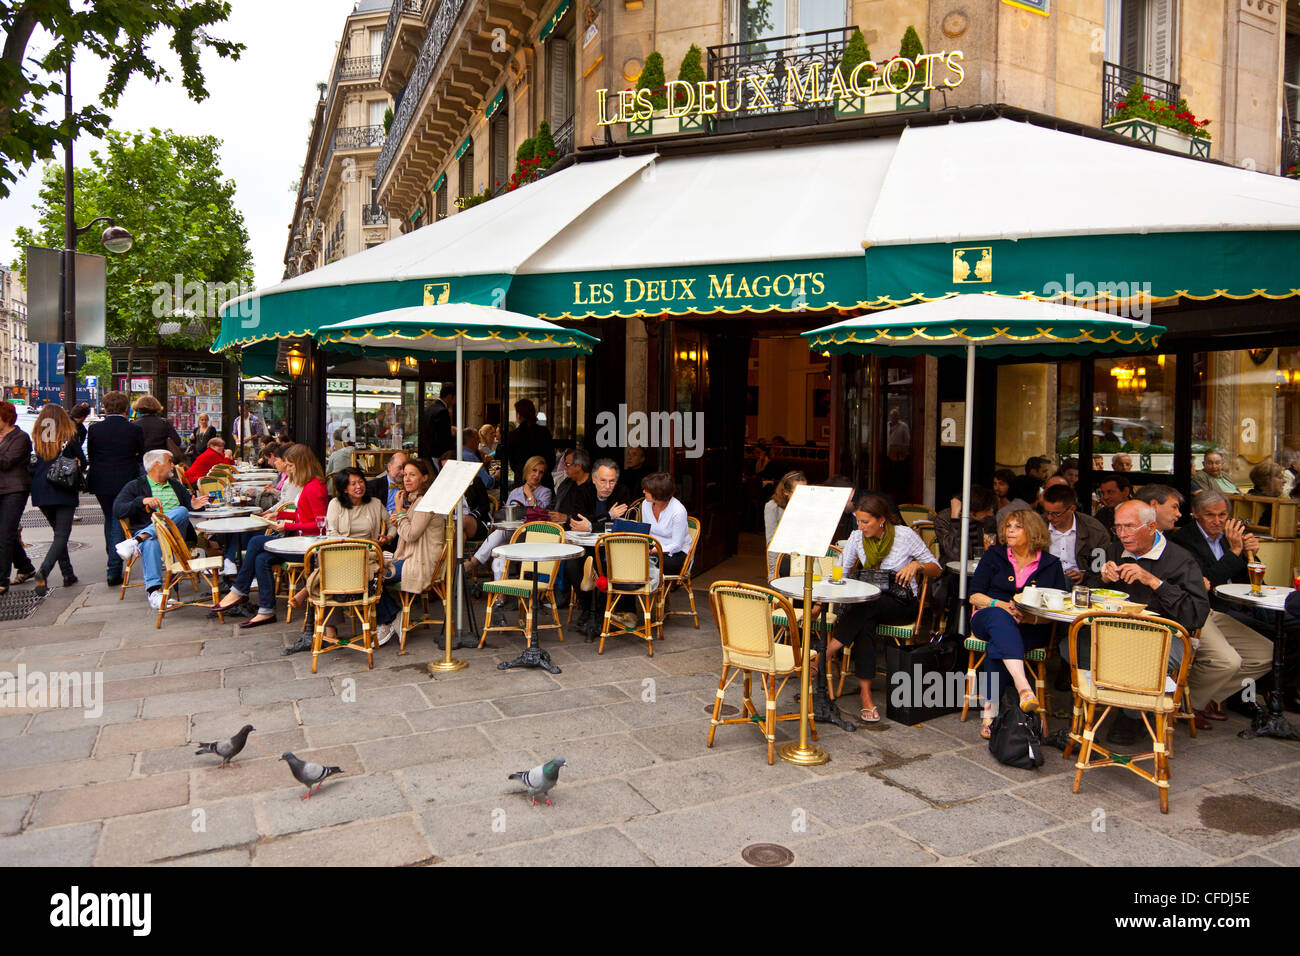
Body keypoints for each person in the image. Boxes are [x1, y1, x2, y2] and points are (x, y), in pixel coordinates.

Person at [824, 493, 941, 723]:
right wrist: (825, 597)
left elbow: (936, 568)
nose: (860, 526)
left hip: (901, 603)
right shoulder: (857, 538)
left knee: (866, 604)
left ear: (882, 520)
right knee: (865, 619)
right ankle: (866, 696)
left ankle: (825, 653)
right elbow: (841, 572)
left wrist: (916, 565)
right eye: (858, 520)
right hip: (870, 604)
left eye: (866, 521)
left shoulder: (905, 536)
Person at [1168, 491, 1274, 727]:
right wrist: (1235, 552)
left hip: (1233, 606)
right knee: (1229, 660)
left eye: (1223, 515)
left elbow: (1245, 578)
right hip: (1203, 609)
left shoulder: (1231, 535)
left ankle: (1209, 696)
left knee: (1267, 652)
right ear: (1196, 515)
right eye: (1210, 515)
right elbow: (1205, 582)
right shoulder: (1184, 540)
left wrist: (1250, 553)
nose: (1217, 520)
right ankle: (1189, 704)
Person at [968, 509, 1069, 738]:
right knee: (1000, 619)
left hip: (1032, 626)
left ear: (1032, 532)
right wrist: (1004, 606)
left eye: (1017, 527)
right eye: (1008, 526)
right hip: (988, 617)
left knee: (999, 644)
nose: (1009, 531)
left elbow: (1056, 610)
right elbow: (975, 596)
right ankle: (1023, 686)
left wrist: (1028, 616)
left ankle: (989, 713)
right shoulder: (994, 554)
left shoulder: (1051, 564)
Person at [212, 443, 329, 628]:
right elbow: (304, 515)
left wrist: (288, 525)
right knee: (262, 559)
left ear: (301, 464)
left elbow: (321, 524)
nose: (288, 470)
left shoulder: (314, 487)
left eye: (290, 465)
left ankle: (239, 590)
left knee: (257, 541)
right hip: (302, 541)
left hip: (308, 545)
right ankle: (266, 611)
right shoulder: (310, 485)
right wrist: (281, 515)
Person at [112, 449, 209, 612]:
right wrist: (141, 501)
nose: (173, 465)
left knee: (181, 511)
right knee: (152, 541)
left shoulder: (176, 485)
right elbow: (117, 510)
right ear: (157, 464)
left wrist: (196, 504)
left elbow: (190, 504)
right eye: (169, 461)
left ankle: (137, 541)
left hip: (177, 537)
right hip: (155, 539)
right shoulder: (136, 486)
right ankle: (154, 593)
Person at [373, 458, 447, 646]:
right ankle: (393, 615)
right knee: (368, 572)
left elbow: (411, 534)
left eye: (412, 475)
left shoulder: (426, 502)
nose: (406, 479)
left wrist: (398, 511)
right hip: (412, 558)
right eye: (405, 474)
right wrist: (400, 514)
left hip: (421, 563)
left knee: (372, 576)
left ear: (424, 478)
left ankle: (387, 619)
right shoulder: (416, 501)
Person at [86, 391, 144, 586]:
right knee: (118, 519)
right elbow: (141, 456)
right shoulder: (133, 429)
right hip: (126, 478)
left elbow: (91, 455)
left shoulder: (95, 429)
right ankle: (113, 568)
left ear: (105, 407)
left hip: (101, 480)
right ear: (125, 407)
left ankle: (111, 558)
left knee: (110, 518)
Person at [28, 404, 87, 595]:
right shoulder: (69, 436)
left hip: (41, 490)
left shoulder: (38, 437)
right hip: (62, 488)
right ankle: (43, 571)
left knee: (57, 534)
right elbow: (83, 461)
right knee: (62, 535)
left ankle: (68, 573)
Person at [465, 455, 554, 580]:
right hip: (510, 535)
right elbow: (505, 520)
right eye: (534, 470)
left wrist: (529, 494)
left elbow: (538, 513)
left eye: (540, 472)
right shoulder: (515, 492)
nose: (537, 475)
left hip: (530, 536)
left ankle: (475, 561)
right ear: (527, 470)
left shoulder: (545, 492)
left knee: (500, 534)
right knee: (498, 556)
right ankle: (500, 597)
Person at [0, 401, 37, 594]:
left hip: (14, 489)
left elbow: (6, 462)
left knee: (5, 532)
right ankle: (25, 567)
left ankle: (2, 579)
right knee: (8, 533)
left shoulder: (20, 438)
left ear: (6, 418)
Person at [1041, 484, 1110, 584]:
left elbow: (1099, 568)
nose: (1050, 518)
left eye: (1056, 514)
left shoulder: (1095, 531)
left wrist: (1084, 575)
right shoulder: (1038, 526)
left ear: (1072, 509)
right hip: (1044, 581)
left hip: (1080, 585)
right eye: (1047, 512)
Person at [640, 472, 690, 577]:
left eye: (647, 490)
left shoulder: (678, 511)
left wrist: (653, 551)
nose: (643, 491)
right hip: (652, 549)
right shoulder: (645, 504)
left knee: (640, 562)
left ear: (658, 494)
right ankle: (633, 590)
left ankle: (643, 590)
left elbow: (676, 545)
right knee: (628, 556)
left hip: (676, 554)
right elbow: (646, 531)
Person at [501, 398, 555, 491]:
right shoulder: (544, 432)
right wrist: (541, 473)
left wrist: (523, 471)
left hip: (522, 480)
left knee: (525, 504)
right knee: (542, 505)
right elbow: (551, 459)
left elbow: (513, 462)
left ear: (518, 415)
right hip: (544, 481)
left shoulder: (513, 435)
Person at [764, 471, 807, 579]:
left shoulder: (808, 506)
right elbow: (772, 542)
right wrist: (773, 573)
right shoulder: (773, 507)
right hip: (785, 559)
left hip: (807, 559)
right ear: (786, 492)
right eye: (798, 492)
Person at [549, 448, 597, 532]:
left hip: (584, 534)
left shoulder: (595, 486)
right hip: (559, 530)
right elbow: (553, 504)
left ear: (578, 466)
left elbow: (596, 516)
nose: (564, 467)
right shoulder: (566, 483)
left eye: (567, 464)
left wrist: (566, 518)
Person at [418, 382, 455, 462]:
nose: (455, 402)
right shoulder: (443, 411)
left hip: (426, 454)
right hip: (437, 455)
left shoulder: (428, 408)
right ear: (449, 396)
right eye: (455, 398)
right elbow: (444, 437)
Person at [1248, 461, 1285, 527]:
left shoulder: (1254, 495)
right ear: (1267, 480)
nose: (1285, 481)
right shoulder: (1266, 504)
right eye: (1280, 478)